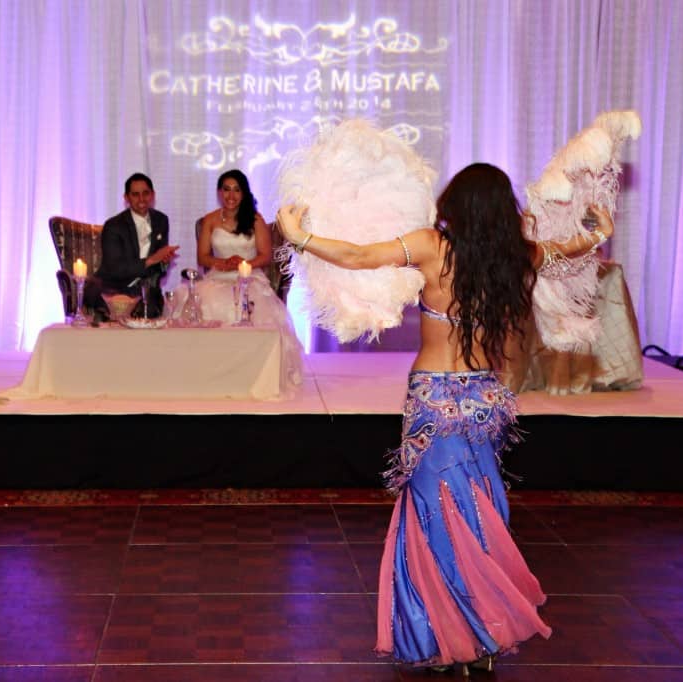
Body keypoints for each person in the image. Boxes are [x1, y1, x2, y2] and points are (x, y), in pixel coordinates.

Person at [277, 163, 614, 673]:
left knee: (437, 515)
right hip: (484, 399)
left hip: (434, 399)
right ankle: (477, 636)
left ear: (454, 204)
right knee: (475, 510)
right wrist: (596, 235)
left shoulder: (433, 248)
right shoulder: (515, 257)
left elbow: (359, 256)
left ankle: (446, 638)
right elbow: (567, 252)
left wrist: (299, 237)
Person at [179, 169, 303, 394]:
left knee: (251, 307)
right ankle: (210, 372)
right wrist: (223, 263)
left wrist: (242, 264)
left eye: (237, 190)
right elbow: (202, 257)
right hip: (218, 276)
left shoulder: (255, 219)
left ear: (244, 193)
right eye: (226, 189)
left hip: (249, 276)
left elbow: (265, 255)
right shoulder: (209, 220)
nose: (231, 195)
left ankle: (251, 373)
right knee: (204, 303)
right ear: (219, 192)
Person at [93, 173, 179, 318]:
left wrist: (164, 262)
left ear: (153, 195)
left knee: (155, 309)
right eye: (135, 194)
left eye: (145, 193)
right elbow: (114, 268)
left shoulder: (161, 220)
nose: (141, 199)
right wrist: (151, 260)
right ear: (126, 198)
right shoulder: (114, 225)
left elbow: (159, 271)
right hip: (115, 288)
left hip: (147, 290)